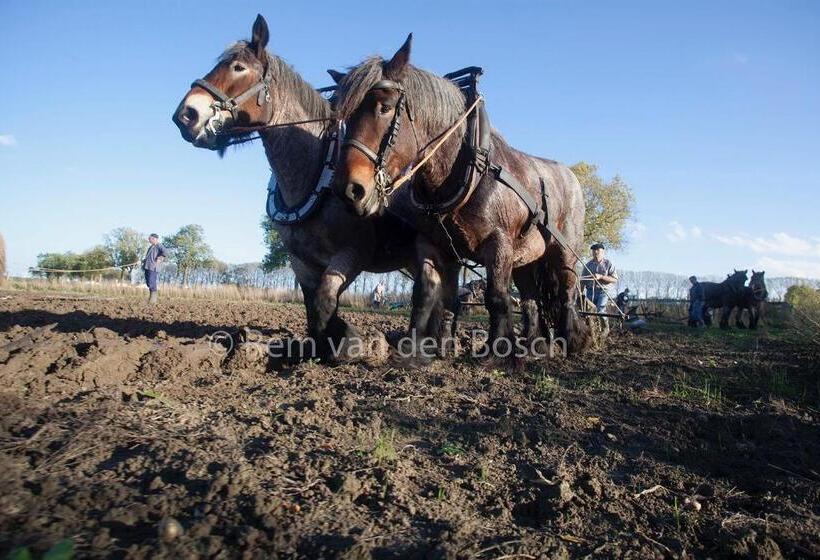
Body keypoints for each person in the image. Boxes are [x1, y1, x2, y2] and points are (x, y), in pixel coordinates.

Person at [142, 234, 167, 304]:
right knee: (148, 283)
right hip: (147, 266)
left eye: (150, 239)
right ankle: (151, 298)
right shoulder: (151, 247)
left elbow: (165, 252)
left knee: (151, 282)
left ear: (154, 239)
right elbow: (148, 257)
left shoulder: (159, 246)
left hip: (153, 267)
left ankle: (153, 300)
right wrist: (143, 261)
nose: (149, 240)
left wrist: (160, 257)